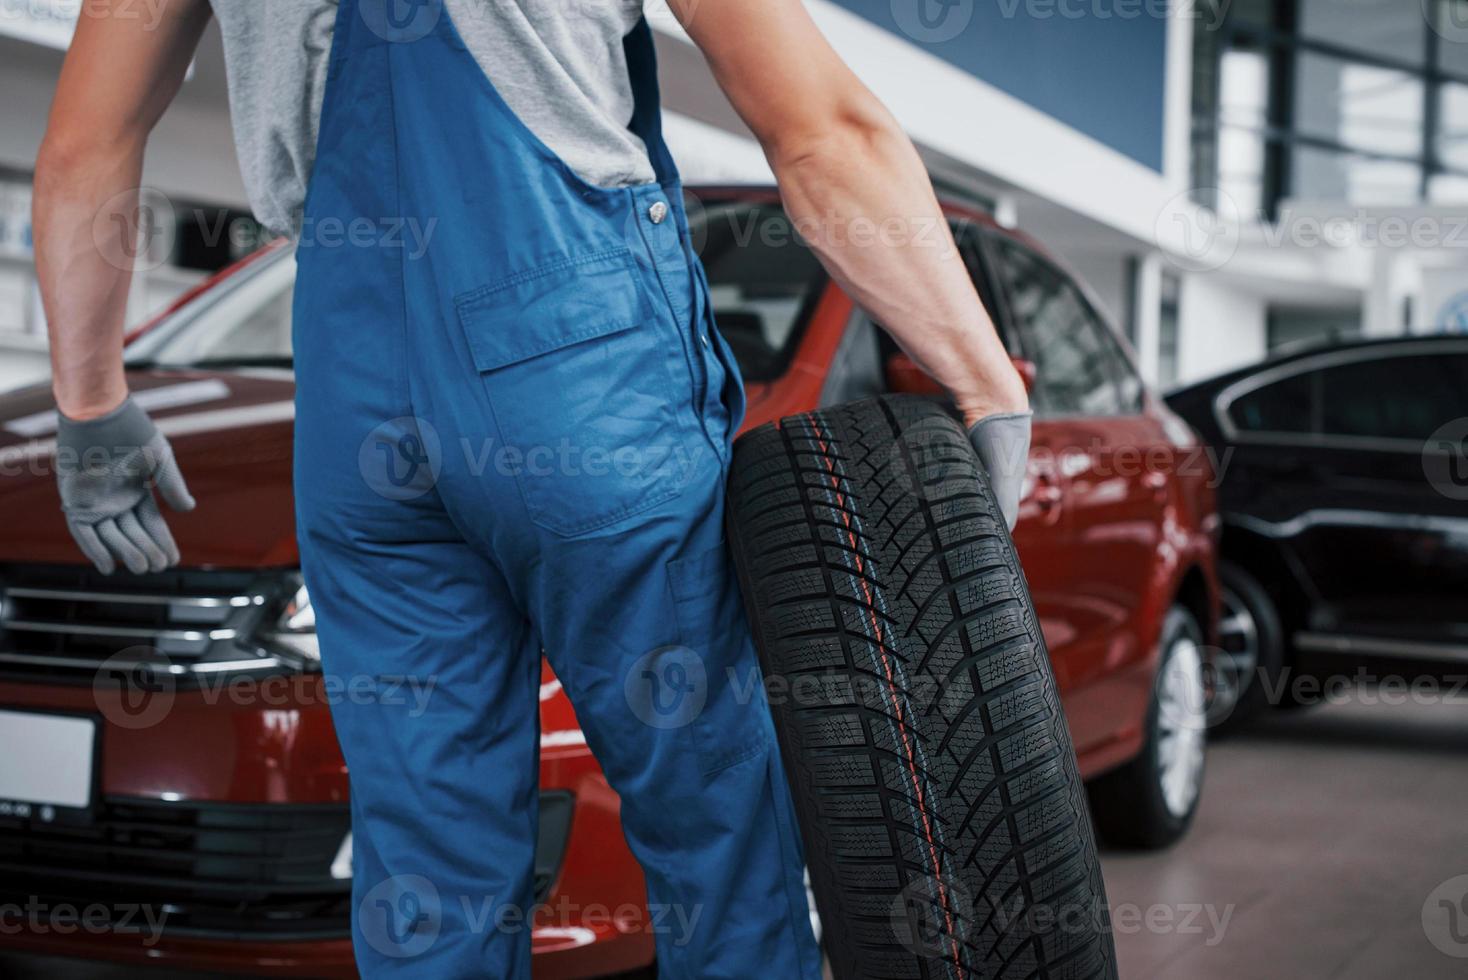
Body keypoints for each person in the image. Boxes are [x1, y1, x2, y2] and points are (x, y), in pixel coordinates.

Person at [33, 0, 1031, 975]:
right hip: (579, 361)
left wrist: (88, 404)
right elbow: (821, 131)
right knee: (713, 820)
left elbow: (86, 146)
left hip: (351, 388)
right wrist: (983, 380)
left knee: (428, 864)